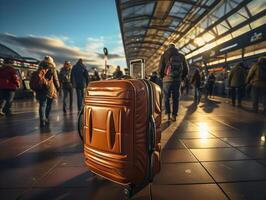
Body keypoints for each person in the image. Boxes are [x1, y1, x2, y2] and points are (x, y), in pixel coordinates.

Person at [159, 43, 189, 121]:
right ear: (175, 48)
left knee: (166, 97)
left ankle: (168, 114)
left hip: (167, 80)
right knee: (176, 98)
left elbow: (160, 69)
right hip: (177, 80)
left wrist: (163, 77)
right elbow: (186, 69)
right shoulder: (181, 56)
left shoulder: (164, 55)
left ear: (168, 48)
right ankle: (174, 115)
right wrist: (181, 77)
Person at [35, 56, 60, 127]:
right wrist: (58, 88)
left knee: (42, 105)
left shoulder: (40, 67)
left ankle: (42, 121)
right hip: (49, 88)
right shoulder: (52, 68)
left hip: (40, 88)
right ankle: (46, 117)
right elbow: (55, 79)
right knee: (48, 104)